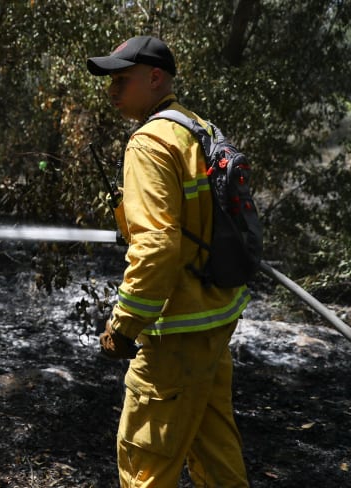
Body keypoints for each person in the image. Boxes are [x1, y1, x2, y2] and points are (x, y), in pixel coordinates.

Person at [86, 36, 250, 487]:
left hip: (176, 334)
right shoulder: (196, 128)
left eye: (122, 79)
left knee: (145, 464)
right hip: (214, 323)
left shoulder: (149, 142)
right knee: (216, 454)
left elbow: (157, 246)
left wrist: (123, 325)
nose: (112, 91)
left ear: (155, 78)